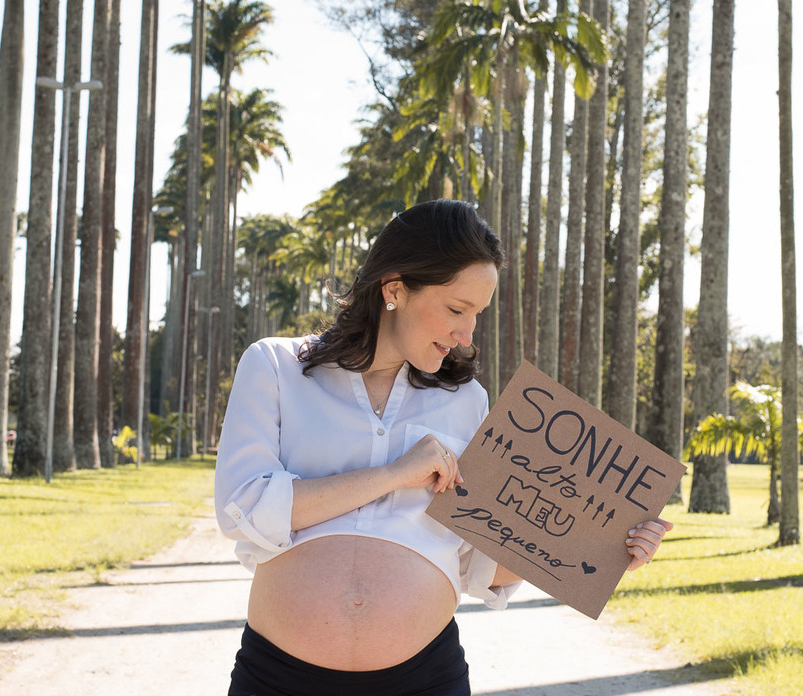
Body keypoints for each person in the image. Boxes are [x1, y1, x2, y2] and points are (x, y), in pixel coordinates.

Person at [215, 200, 673, 696]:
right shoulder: (275, 367)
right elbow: (246, 505)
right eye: (457, 309)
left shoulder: (468, 402)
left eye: (476, 315)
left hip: (425, 679)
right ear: (395, 289)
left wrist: (601, 544)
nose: (466, 334)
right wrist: (395, 474)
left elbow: (478, 564)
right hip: (279, 678)